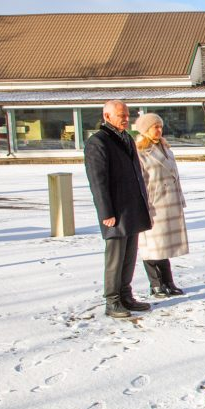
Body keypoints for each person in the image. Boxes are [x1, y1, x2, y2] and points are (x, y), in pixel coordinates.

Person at [84, 100, 153, 318]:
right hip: (115, 210)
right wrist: (106, 212)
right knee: (115, 257)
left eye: (127, 115)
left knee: (129, 256)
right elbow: (98, 181)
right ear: (107, 116)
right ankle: (112, 300)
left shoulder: (127, 138)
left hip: (132, 207)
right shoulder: (98, 142)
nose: (126, 119)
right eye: (121, 115)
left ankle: (125, 295)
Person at [133, 113, 188, 297]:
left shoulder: (165, 148)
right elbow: (139, 181)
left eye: (160, 126)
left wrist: (180, 199)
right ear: (145, 130)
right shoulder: (140, 151)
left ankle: (168, 281)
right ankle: (156, 283)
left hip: (169, 203)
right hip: (153, 204)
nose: (159, 130)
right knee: (151, 245)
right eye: (154, 127)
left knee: (164, 245)